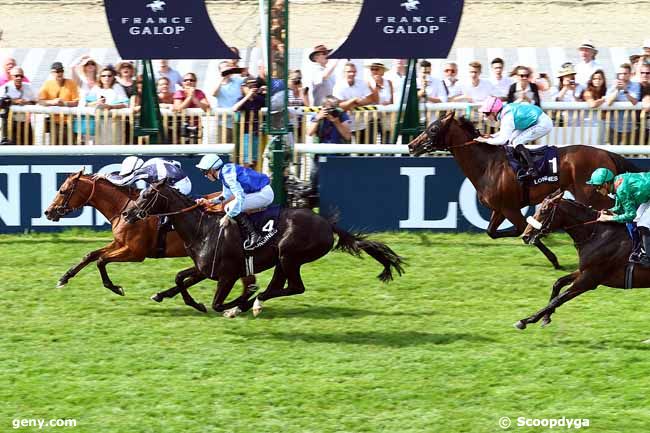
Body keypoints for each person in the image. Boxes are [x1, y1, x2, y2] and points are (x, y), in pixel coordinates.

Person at [106, 156, 192, 255]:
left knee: (153, 202)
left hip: (178, 187)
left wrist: (105, 176)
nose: (130, 174)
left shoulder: (143, 171)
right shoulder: (152, 161)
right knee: (145, 194)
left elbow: (123, 181)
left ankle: (172, 226)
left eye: (130, 172)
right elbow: (177, 163)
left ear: (135, 168)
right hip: (185, 181)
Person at [195, 154, 274, 250]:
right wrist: (209, 201)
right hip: (259, 192)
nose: (205, 175)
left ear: (212, 170)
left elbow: (239, 198)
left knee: (229, 207)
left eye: (205, 172)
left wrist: (227, 216)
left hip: (264, 194)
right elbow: (225, 196)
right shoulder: (225, 172)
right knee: (230, 206)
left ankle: (254, 235)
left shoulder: (228, 175)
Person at [475, 96, 554, 180]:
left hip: (542, 124)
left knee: (517, 141)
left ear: (494, 112)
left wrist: (486, 141)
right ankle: (523, 165)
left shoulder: (507, 117)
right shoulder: (504, 111)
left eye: (487, 114)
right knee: (512, 139)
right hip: (533, 122)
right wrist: (492, 136)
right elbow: (505, 133)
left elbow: (502, 140)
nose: (486, 117)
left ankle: (532, 169)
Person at [588, 167, 650, 265]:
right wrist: (608, 211)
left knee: (643, 223)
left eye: (598, 187)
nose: (596, 190)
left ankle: (648, 258)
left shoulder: (621, 189)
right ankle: (640, 250)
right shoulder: (617, 183)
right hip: (648, 197)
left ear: (605, 184)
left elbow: (630, 215)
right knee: (638, 219)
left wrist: (609, 218)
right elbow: (620, 208)